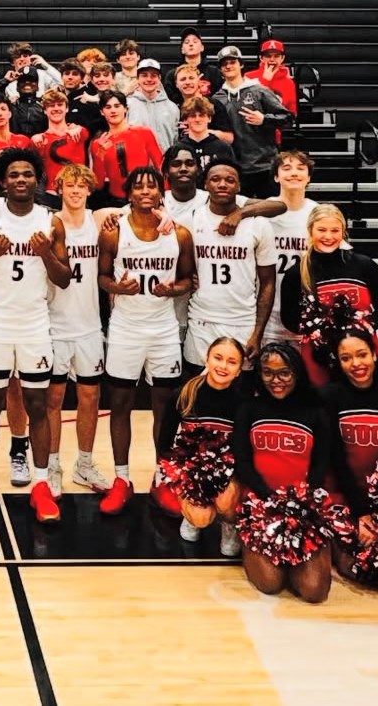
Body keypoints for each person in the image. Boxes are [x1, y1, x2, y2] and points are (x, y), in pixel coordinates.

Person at [0, 149, 71, 523]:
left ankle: (41, 484)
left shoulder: (52, 221)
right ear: (2, 181)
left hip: (35, 324)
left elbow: (64, 278)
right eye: (13, 175)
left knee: (37, 407)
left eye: (27, 174)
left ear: (37, 181)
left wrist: (46, 256)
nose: (20, 180)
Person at [99, 166, 195, 515]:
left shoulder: (180, 234)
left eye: (151, 186)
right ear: (129, 193)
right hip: (125, 327)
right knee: (120, 403)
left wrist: (174, 289)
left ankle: (162, 477)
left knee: (164, 409)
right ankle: (121, 479)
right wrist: (117, 288)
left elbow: (189, 279)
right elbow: (102, 277)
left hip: (163, 329)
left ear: (161, 192)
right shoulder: (113, 232)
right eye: (138, 186)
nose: (144, 191)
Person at [232, 342, 335, 603]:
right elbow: (242, 461)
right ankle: (260, 548)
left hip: (303, 508)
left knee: (314, 591)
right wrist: (268, 499)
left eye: (284, 373)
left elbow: (321, 464)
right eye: (268, 372)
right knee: (269, 583)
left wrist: (300, 505)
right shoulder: (248, 409)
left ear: (297, 373)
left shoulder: (316, 412)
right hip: (261, 505)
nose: (276, 381)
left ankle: (301, 558)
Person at [321, 328, 378, 577]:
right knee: (352, 568)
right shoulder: (331, 395)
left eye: (361, 354)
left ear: (374, 354)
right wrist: (361, 511)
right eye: (346, 358)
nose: (356, 364)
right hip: (343, 494)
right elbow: (336, 460)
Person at [45, 164, 111, 493]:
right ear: (59, 190)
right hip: (55, 324)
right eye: (68, 185)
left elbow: (133, 206)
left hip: (88, 326)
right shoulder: (50, 224)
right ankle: (52, 465)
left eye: (80, 185)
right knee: (53, 399)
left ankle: (84, 464)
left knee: (90, 396)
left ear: (89, 190)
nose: (74, 190)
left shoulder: (98, 220)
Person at [280, 203, 378, 387]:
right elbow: (289, 318)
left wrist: (359, 328)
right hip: (318, 355)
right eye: (321, 230)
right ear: (310, 230)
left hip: (361, 351)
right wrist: (322, 331)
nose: (328, 236)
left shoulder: (364, 265)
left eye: (335, 230)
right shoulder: (297, 273)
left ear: (343, 232)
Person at [158, 336, 248, 554]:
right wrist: (175, 476)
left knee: (225, 501)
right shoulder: (183, 395)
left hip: (227, 471)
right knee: (200, 518)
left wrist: (232, 478)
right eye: (218, 358)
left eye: (232, 361)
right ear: (206, 359)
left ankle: (229, 523)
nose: (223, 366)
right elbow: (164, 443)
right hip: (191, 470)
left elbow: (244, 451)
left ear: (239, 370)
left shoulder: (243, 402)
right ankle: (191, 516)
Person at [186, 159, 277, 369]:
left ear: (239, 186)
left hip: (243, 321)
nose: (222, 184)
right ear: (205, 185)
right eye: (215, 179)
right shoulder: (192, 220)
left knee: (240, 394)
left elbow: (268, 282)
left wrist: (258, 332)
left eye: (230, 180)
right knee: (199, 392)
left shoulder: (259, 224)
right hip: (201, 320)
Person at [211, 45, 291, 198]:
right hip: (235, 168)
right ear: (220, 69)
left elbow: (287, 119)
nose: (228, 66)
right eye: (224, 64)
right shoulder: (217, 99)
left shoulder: (259, 91)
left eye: (232, 62)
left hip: (265, 166)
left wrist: (264, 119)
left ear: (241, 64)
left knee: (269, 214)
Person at [260, 150, 315, 346]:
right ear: (276, 176)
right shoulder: (262, 211)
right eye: (286, 168)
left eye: (301, 168)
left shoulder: (317, 213)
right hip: (267, 310)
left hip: (304, 310)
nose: (294, 173)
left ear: (308, 177)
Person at [89, 90, 163, 206]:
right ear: (102, 112)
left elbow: (160, 166)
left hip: (144, 196)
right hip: (115, 200)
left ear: (126, 109)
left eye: (117, 106)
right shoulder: (98, 143)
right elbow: (98, 185)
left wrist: (164, 194)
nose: (113, 110)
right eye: (108, 107)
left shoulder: (144, 133)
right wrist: (100, 156)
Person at [33, 88, 89, 193]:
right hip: (50, 193)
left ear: (67, 108)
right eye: (51, 105)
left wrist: (77, 129)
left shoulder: (79, 132)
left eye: (60, 105)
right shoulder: (39, 140)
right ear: (45, 110)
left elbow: (84, 132)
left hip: (77, 191)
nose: (56, 108)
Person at [127, 59, 180, 151]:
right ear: (137, 79)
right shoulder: (127, 105)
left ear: (159, 79)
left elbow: (175, 140)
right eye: (144, 75)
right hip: (136, 163)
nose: (149, 79)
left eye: (153, 75)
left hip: (165, 162)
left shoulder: (172, 108)